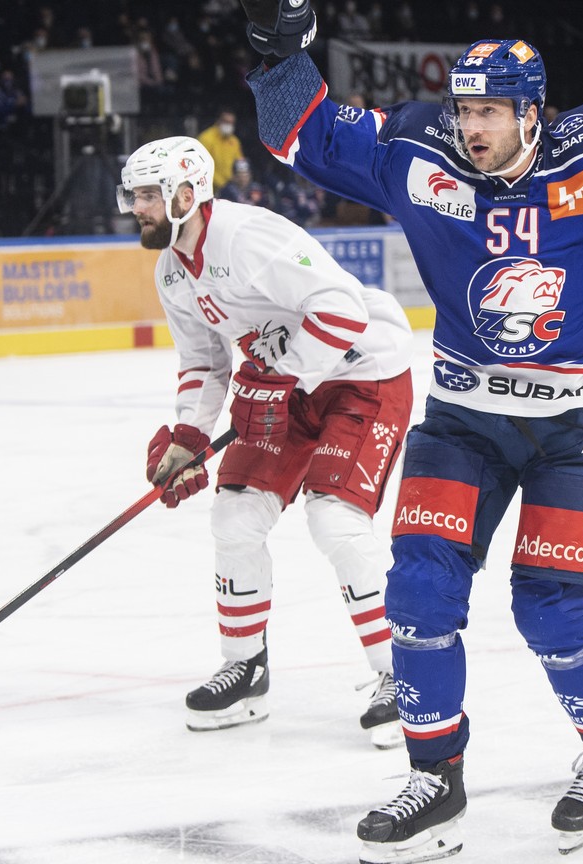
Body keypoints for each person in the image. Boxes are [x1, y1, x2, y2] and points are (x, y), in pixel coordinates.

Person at [240, 0, 583, 859]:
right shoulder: (420, 152)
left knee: (551, 608)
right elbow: (306, 135)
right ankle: (435, 775)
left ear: (532, 112)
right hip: (465, 420)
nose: (470, 127)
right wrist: (276, 51)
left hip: (577, 427)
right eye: (464, 109)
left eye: (489, 112)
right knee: (418, 597)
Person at [118, 135, 414, 747]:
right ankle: (245, 668)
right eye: (135, 195)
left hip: (362, 374)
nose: (137, 207)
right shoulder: (172, 271)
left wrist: (282, 377)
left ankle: (404, 677)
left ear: (186, 193)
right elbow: (202, 358)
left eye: (149, 195)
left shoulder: (247, 237)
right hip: (287, 383)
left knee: (335, 522)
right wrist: (188, 435)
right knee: (234, 517)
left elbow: (342, 310)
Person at [198, 109, 246, 189]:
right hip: (209, 186)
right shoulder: (206, 138)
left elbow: (240, 163)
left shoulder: (234, 141)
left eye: (231, 123)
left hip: (230, 187)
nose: (229, 125)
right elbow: (201, 166)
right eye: (226, 122)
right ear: (218, 121)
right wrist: (222, 184)